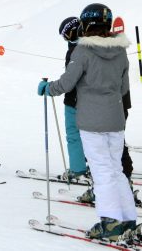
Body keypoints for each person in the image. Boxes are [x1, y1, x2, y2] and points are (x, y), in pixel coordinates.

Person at [38, 3, 139, 242]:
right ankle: (128, 219)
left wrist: (47, 89)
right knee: (116, 170)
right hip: (115, 119)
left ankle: (110, 222)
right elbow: (124, 87)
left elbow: (66, 84)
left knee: (102, 171)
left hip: (92, 121)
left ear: (86, 25)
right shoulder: (121, 50)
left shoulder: (82, 51)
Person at [57, 16, 88, 181]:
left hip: (74, 100)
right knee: (89, 134)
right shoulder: (91, 46)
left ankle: (78, 168)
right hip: (91, 101)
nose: (66, 39)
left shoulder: (74, 51)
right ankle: (87, 163)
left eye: (66, 35)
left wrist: (50, 88)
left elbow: (69, 80)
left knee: (74, 134)